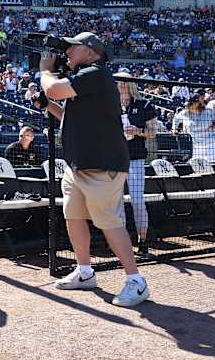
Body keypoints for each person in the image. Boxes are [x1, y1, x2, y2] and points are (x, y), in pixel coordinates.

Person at [37, 31, 149, 307]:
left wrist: (44, 70)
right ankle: (85, 272)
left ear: (90, 51)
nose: (67, 52)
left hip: (102, 164)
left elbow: (53, 88)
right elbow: (68, 117)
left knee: (109, 222)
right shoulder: (84, 79)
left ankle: (136, 281)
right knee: (73, 217)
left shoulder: (96, 73)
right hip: (78, 165)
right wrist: (47, 106)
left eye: (73, 47)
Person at [117, 77, 158, 257]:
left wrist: (138, 131)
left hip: (135, 159)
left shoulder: (144, 104)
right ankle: (122, 243)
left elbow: (153, 132)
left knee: (137, 201)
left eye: (122, 83)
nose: (119, 86)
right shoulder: (111, 105)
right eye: (118, 83)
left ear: (128, 84)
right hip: (115, 160)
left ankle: (143, 241)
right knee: (116, 203)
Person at [173, 94, 215, 163]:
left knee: (213, 164)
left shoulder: (208, 111)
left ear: (197, 103)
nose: (189, 106)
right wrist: (174, 129)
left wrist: (213, 127)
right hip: (195, 145)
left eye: (191, 103)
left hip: (211, 144)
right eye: (188, 103)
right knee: (198, 165)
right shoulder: (184, 113)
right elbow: (176, 119)